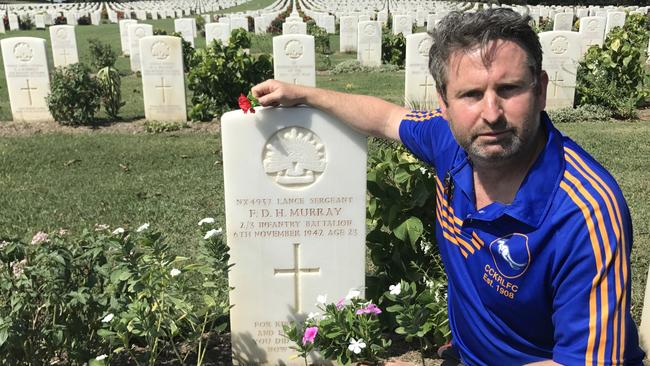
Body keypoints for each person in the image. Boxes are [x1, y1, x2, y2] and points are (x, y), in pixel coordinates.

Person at [252, 9, 646, 366]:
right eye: (471, 95)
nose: (491, 114)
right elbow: (387, 118)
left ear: (540, 90)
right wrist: (306, 95)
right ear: (444, 103)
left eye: (508, 89)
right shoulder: (449, 142)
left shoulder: (584, 213)